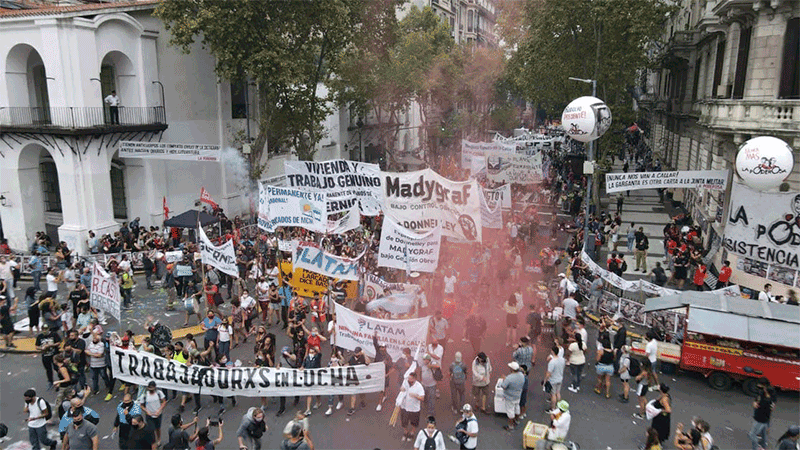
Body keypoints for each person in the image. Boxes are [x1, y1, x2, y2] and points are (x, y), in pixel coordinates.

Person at [748, 377, 775, 450]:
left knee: (752, 435)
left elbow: (765, 405)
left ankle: (757, 448)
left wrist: (756, 404)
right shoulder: (764, 394)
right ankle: (763, 446)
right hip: (765, 420)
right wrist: (754, 402)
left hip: (760, 420)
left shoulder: (766, 401)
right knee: (764, 434)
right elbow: (757, 400)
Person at [85, 332, 113, 401]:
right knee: (94, 378)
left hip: (101, 364)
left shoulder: (101, 345)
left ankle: (108, 385)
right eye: (93, 338)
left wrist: (91, 353)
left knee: (104, 376)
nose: (94, 339)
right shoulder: (91, 344)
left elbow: (99, 355)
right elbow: (86, 351)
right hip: (93, 365)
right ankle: (95, 389)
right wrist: (94, 354)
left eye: (95, 338)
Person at [399, 372, 426, 442]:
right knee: (404, 422)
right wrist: (401, 389)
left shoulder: (419, 386)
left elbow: (422, 398)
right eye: (408, 378)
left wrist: (415, 396)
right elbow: (402, 388)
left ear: (415, 379)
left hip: (414, 409)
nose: (409, 379)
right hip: (404, 407)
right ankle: (405, 432)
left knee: (414, 422)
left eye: (410, 378)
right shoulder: (405, 382)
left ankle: (412, 433)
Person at [499, 361, 525, 431]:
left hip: (510, 397)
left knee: (510, 411)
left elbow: (503, 386)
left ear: (512, 369)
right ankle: (517, 420)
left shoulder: (509, 378)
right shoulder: (521, 375)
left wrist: (504, 379)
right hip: (518, 395)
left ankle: (510, 426)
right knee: (517, 408)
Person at [594, 334, 615, 398]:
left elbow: (597, 359)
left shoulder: (601, 351)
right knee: (608, 380)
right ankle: (607, 393)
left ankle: (598, 389)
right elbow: (614, 359)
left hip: (601, 366)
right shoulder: (613, 352)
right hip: (610, 367)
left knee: (599, 378)